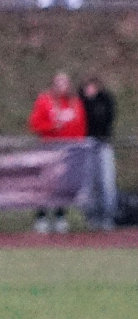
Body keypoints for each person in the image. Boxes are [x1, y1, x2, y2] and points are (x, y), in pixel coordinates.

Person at [29, 71, 87, 232]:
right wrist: (52, 127)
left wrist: (78, 146)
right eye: (58, 83)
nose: (62, 87)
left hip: (69, 150)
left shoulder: (75, 103)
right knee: (46, 183)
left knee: (64, 184)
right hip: (49, 148)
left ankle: (61, 216)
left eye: (65, 83)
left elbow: (81, 126)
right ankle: (41, 217)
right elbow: (35, 124)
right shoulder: (45, 101)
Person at [81, 76, 118, 229]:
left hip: (103, 143)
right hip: (86, 145)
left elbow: (106, 119)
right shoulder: (81, 101)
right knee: (88, 182)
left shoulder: (105, 100)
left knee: (107, 182)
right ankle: (91, 217)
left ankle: (108, 216)